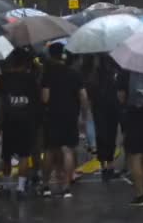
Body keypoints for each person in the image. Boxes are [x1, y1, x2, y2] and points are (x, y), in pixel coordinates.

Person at [40, 43, 90, 198]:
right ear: (63, 54)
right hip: (70, 115)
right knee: (68, 150)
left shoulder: (47, 74)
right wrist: (84, 116)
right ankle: (66, 187)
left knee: (49, 150)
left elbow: (45, 98)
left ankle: (46, 185)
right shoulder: (74, 73)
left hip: (52, 116)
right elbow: (83, 96)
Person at [0, 48, 40, 198]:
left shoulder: (4, 78)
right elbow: (36, 101)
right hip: (26, 121)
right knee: (24, 155)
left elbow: (0, 102)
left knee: (6, 156)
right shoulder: (31, 79)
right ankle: (21, 188)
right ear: (26, 63)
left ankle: (6, 186)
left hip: (8, 121)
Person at [118, 70, 143, 206]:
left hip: (133, 117)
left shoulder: (125, 73)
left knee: (135, 156)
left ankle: (139, 195)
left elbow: (121, 97)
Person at [92, 55, 121, 181]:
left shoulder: (95, 76)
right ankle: (110, 165)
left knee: (101, 135)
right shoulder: (115, 75)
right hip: (113, 109)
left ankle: (103, 165)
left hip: (98, 108)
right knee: (111, 135)